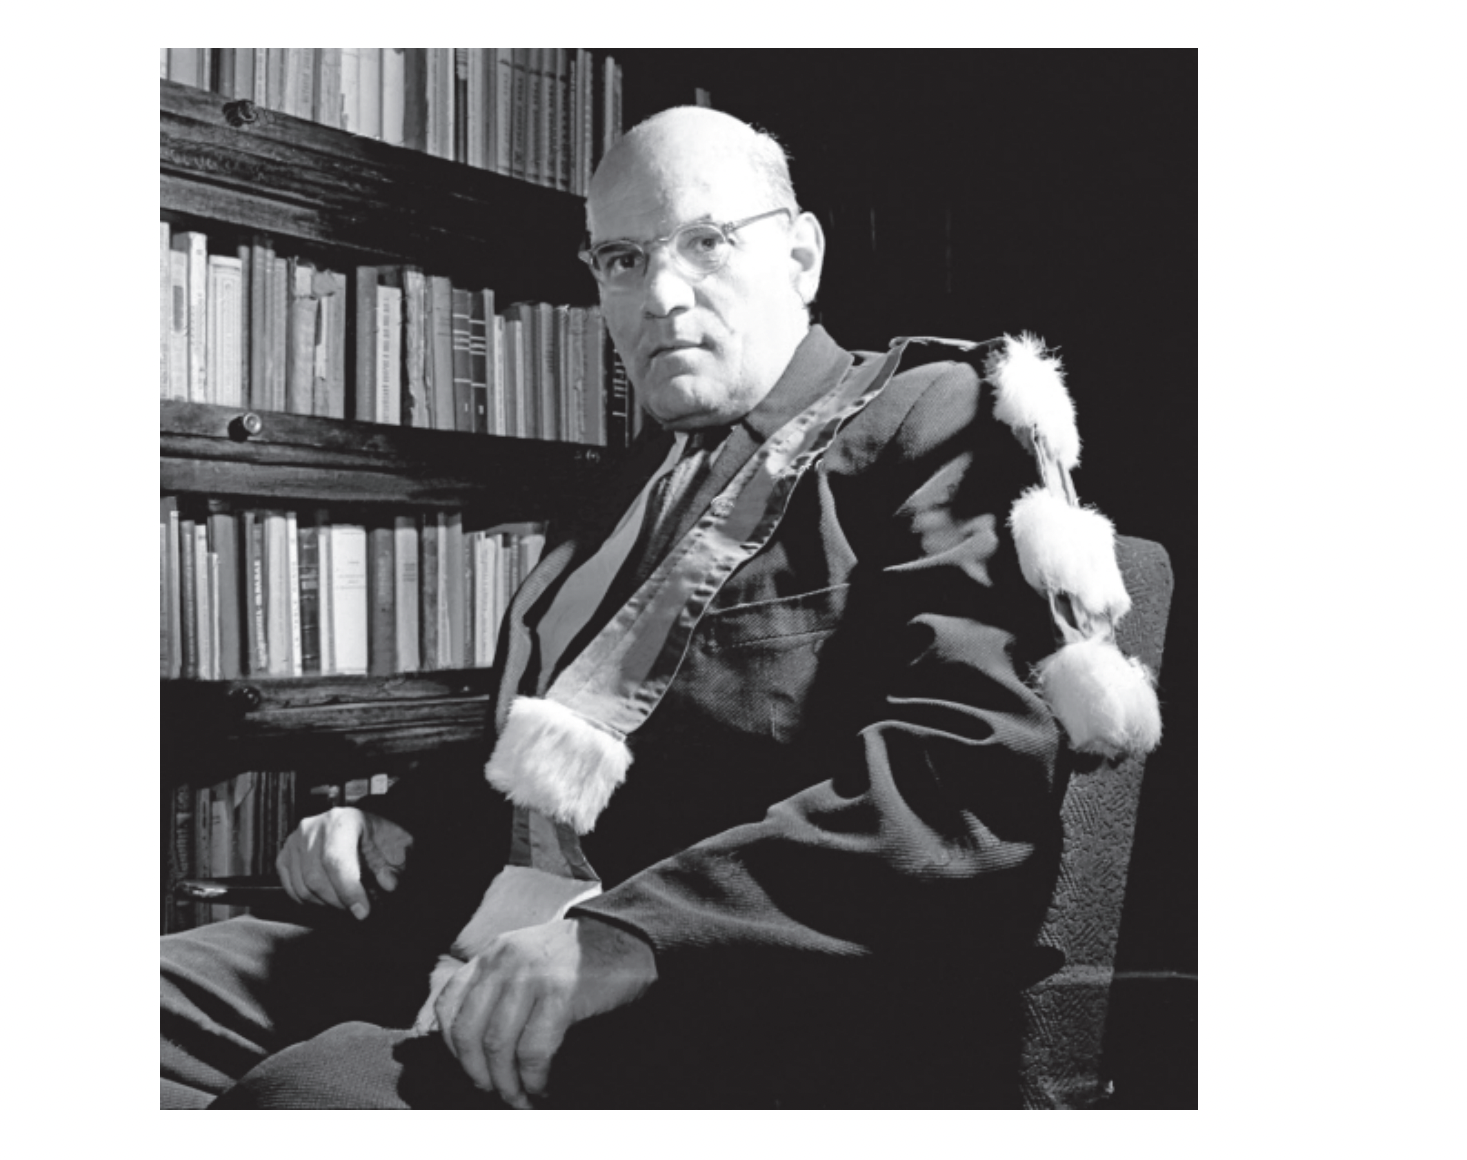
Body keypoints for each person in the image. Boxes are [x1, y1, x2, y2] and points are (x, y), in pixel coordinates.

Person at [161, 105, 1156, 1110]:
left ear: (802, 254)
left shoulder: (932, 416)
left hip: (729, 983)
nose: (662, 295)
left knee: (308, 1097)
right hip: (487, 931)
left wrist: (633, 933)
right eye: (623, 259)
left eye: (708, 243)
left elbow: (966, 780)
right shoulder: (616, 491)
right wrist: (380, 830)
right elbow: (541, 780)